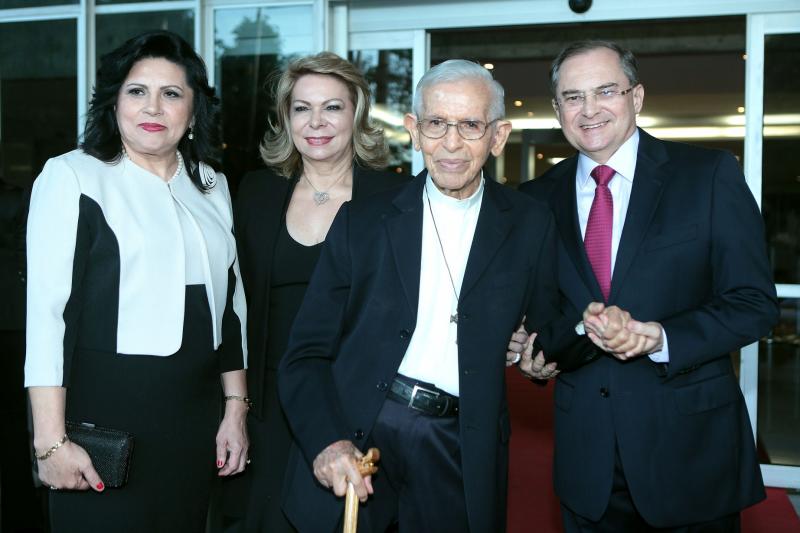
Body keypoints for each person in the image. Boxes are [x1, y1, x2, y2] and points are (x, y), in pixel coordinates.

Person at [278, 59, 567, 533]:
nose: (451, 143)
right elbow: (304, 354)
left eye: (470, 125)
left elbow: (544, 330)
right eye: (436, 123)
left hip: (459, 444)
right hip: (362, 431)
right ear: (414, 130)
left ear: (498, 136)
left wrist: (533, 355)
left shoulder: (530, 224)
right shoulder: (362, 222)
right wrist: (327, 442)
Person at [517, 40, 779, 531]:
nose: (589, 109)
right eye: (573, 97)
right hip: (586, 461)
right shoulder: (534, 200)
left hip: (690, 452)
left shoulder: (707, 175)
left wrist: (659, 337)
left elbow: (754, 304)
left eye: (605, 91)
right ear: (557, 109)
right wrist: (538, 353)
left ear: (636, 97)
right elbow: (546, 321)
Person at [24, 31, 249, 533]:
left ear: (193, 111)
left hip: (193, 422)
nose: (153, 107)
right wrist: (50, 443)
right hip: (105, 419)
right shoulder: (73, 176)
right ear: (114, 102)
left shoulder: (213, 186)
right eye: (137, 91)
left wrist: (235, 408)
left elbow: (232, 309)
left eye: (171, 93)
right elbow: (48, 317)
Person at [222, 52, 407, 533]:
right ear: (286, 118)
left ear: (357, 114)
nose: (316, 122)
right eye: (301, 108)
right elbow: (232, 308)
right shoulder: (256, 192)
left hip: (358, 407)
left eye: (332, 107)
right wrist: (235, 407)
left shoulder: (395, 199)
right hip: (268, 407)